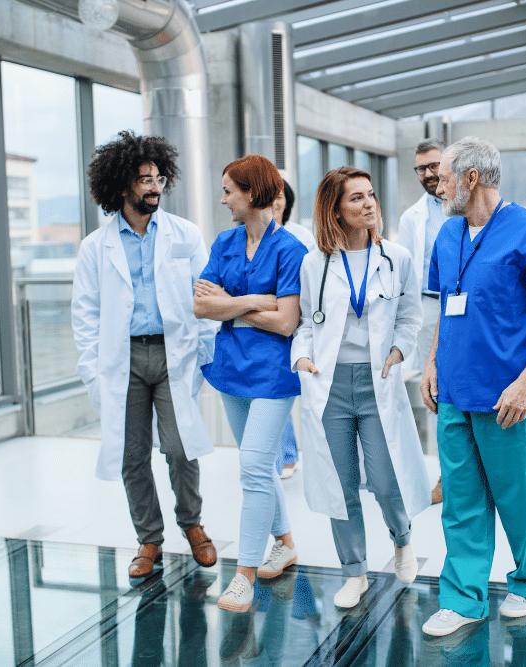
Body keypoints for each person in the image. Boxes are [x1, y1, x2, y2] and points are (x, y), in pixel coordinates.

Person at [419, 137, 526, 637]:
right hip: (455, 395)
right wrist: (431, 363)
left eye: (443, 177)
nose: (436, 185)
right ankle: (463, 598)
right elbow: (448, 305)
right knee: (461, 503)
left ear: (470, 178)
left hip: (511, 398)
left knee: (521, 499)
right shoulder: (446, 235)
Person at [71, 130, 217, 579]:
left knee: (180, 446)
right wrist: (95, 373)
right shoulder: (96, 248)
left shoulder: (184, 234)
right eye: (144, 179)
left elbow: (206, 296)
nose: (154, 186)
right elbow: (85, 315)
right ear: (120, 187)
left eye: (157, 178)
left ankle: (192, 524)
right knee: (131, 454)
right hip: (124, 361)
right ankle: (148, 538)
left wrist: (204, 349)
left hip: (174, 354)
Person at [292, 167, 430, 609]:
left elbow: (411, 317)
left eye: (370, 195)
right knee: (341, 483)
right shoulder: (316, 262)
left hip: (379, 383)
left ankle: (403, 540)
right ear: (335, 209)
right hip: (328, 385)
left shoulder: (398, 257)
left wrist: (398, 352)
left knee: (387, 480)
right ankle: (354, 572)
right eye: (356, 198)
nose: (369, 204)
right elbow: (305, 324)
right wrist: (300, 356)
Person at [194, 154, 309, 612]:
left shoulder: (291, 249)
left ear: (253, 192)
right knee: (258, 466)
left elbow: (285, 323)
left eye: (228, 191)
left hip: (273, 374)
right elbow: (201, 306)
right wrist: (251, 300)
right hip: (230, 369)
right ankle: (285, 542)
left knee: (254, 468)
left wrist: (231, 303)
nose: (223, 200)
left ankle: (242, 574)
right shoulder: (225, 242)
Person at [397, 138, 448, 505]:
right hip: (430, 307)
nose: (429, 174)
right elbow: (407, 273)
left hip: (469, 306)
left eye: (434, 165)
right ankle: (447, 476)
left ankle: (474, 473)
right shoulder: (412, 217)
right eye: (422, 168)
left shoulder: (464, 204)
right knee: (435, 389)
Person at [271, 179, 315, 480]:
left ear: (288, 201)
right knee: (275, 389)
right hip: (268, 324)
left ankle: (301, 454)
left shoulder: (301, 237)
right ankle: (286, 454)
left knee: (298, 390)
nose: (275, 202)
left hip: (299, 323)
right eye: (270, 197)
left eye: (280, 197)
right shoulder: (249, 238)